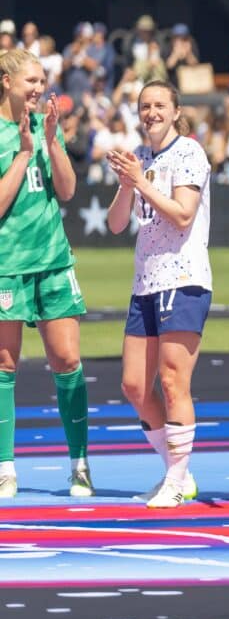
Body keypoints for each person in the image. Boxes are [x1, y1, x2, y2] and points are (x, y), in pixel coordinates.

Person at [105, 81, 210, 509]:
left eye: (159, 105)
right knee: (133, 384)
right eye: (145, 106)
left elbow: (183, 215)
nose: (151, 112)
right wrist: (128, 184)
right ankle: (177, 472)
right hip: (146, 281)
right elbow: (116, 224)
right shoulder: (140, 157)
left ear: (175, 110)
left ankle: (176, 479)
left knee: (172, 381)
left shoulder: (189, 152)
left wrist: (141, 183)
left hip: (182, 278)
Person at [0, 49, 92, 498]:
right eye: (29, 81)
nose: (38, 89)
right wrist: (22, 154)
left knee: (68, 361)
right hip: (7, 267)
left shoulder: (44, 125)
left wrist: (51, 140)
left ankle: (79, 465)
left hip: (53, 261)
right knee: (4, 366)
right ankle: (4, 468)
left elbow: (69, 191)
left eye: (42, 80)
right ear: (6, 82)